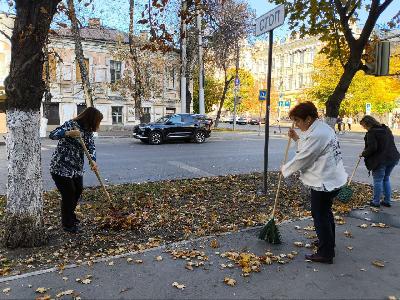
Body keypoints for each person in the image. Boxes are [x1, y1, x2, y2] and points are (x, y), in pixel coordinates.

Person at [281, 101, 348, 264]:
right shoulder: (321, 128)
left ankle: (326, 253)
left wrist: (285, 169)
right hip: (331, 178)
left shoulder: (319, 133)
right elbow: (309, 146)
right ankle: (327, 242)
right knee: (325, 213)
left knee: (320, 215)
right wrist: (297, 138)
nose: (296, 124)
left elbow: (305, 156)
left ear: (309, 119)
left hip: (325, 182)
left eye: (297, 120)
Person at [49, 107, 103, 233]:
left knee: (78, 190)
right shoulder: (71, 125)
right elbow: (52, 134)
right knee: (69, 193)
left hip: (76, 167)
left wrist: (93, 160)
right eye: (98, 122)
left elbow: (91, 147)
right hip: (60, 166)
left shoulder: (88, 131)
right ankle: (68, 224)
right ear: (91, 119)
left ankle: (70, 216)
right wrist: (68, 133)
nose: (98, 125)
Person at [360, 115, 400, 208]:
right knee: (386, 178)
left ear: (368, 124)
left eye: (364, 126)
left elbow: (372, 148)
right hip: (393, 157)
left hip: (380, 160)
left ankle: (376, 202)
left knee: (378, 180)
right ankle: (387, 201)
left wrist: (363, 153)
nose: (364, 128)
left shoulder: (371, 133)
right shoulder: (386, 129)